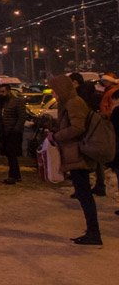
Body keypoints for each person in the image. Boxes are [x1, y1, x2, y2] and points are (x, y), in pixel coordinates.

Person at [50, 75, 102, 245]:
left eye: (55, 89)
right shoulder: (69, 102)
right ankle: (92, 231)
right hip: (74, 153)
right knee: (82, 192)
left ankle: (94, 232)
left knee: (84, 193)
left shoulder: (74, 102)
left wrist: (57, 136)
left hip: (78, 153)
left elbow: (77, 128)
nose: (53, 93)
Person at [0, 83, 26, 184]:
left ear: (9, 91)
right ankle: (15, 175)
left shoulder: (17, 102)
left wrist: (16, 129)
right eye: (0, 92)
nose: (1, 94)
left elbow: (22, 117)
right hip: (5, 132)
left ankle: (13, 176)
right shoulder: (2, 102)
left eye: (3, 91)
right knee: (9, 155)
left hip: (13, 132)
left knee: (12, 154)